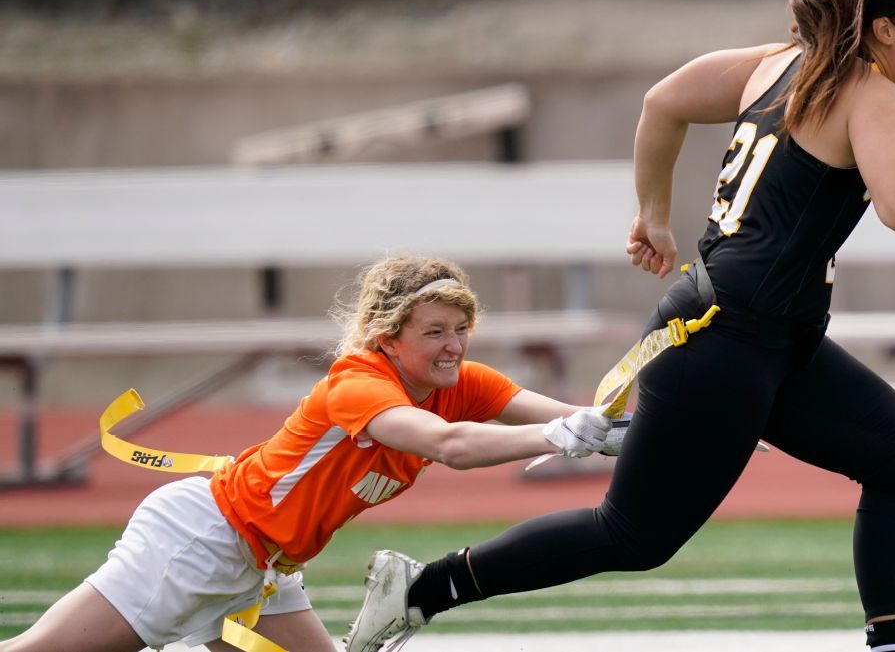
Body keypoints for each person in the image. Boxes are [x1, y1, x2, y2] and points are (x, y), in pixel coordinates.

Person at [344, 0, 895, 652]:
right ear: (885, 29)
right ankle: (424, 588)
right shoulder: (868, 91)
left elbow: (663, 101)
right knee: (633, 533)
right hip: (725, 339)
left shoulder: (776, 63)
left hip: (768, 334)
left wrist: (653, 213)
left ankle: (893, 642)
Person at [0, 255, 612, 652]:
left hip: (263, 568)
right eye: (434, 332)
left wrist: (639, 425)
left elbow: (575, 418)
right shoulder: (359, 382)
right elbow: (450, 446)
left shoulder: (460, 381)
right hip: (202, 540)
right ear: (386, 336)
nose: (453, 346)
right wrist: (555, 440)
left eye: (460, 329)